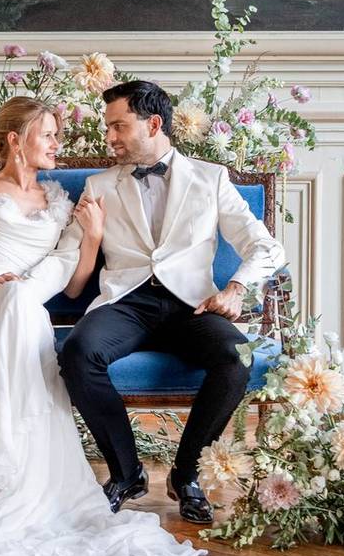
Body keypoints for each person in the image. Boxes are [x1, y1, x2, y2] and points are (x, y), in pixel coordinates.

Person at [0, 96, 205, 556]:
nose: (57, 145)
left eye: (56, 136)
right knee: (16, 303)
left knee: (22, 307)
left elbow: (72, 291)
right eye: (48, 135)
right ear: (16, 139)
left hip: (18, 307)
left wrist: (91, 236)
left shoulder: (58, 201)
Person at [28, 81, 286, 525]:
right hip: (126, 302)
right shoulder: (98, 185)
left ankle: (186, 475)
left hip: (192, 305)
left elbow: (266, 248)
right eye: (108, 127)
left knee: (235, 357)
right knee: (77, 351)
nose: (109, 138)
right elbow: (71, 274)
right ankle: (126, 474)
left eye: (119, 127)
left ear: (153, 124)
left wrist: (236, 289)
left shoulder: (211, 178)